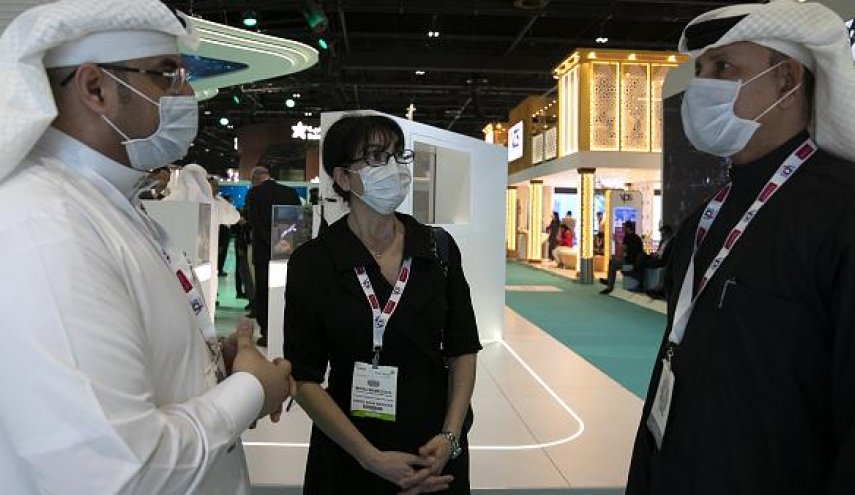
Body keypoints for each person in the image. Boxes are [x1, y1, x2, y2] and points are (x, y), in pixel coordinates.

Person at [0, 2, 294, 493]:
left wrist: (208, 369)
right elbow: (116, 474)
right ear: (95, 88)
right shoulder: (47, 226)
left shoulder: (108, 203)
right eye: (165, 74)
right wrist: (250, 391)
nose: (186, 94)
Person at [627, 2, 855, 494]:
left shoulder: (842, 212)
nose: (702, 85)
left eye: (724, 67)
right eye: (701, 70)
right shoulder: (703, 220)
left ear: (786, 80)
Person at [284, 114, 481, 494]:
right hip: (350, 454)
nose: (393, 167)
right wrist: (369, 457)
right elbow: (304, 377)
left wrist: (450, 437)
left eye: (397, 155)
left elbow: (463, 349)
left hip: (435, 453)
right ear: (343, 178)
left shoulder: (436, 248)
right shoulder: (314, 262)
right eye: (375, 157)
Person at [245, 165, 300, 347]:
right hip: (286, 250)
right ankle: (285, 331)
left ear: (255, 179)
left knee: (263, 291)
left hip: (263, 252)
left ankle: (267, 333)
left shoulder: (254, 193)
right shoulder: (290, 192)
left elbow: (254, 221)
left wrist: (269, 242)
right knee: (285, 290)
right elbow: (297, 221)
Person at [599, 221, 643, 294]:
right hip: (635, 260)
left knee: (613, 265)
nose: (622, 229)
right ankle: (609, 281)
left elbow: (624, 248)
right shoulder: (637, 237)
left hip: (629, 261)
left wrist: (616, 241)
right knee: (612, 260)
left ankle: (609, 286)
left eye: (624, 227)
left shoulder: (627, 237)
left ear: (628, 228)